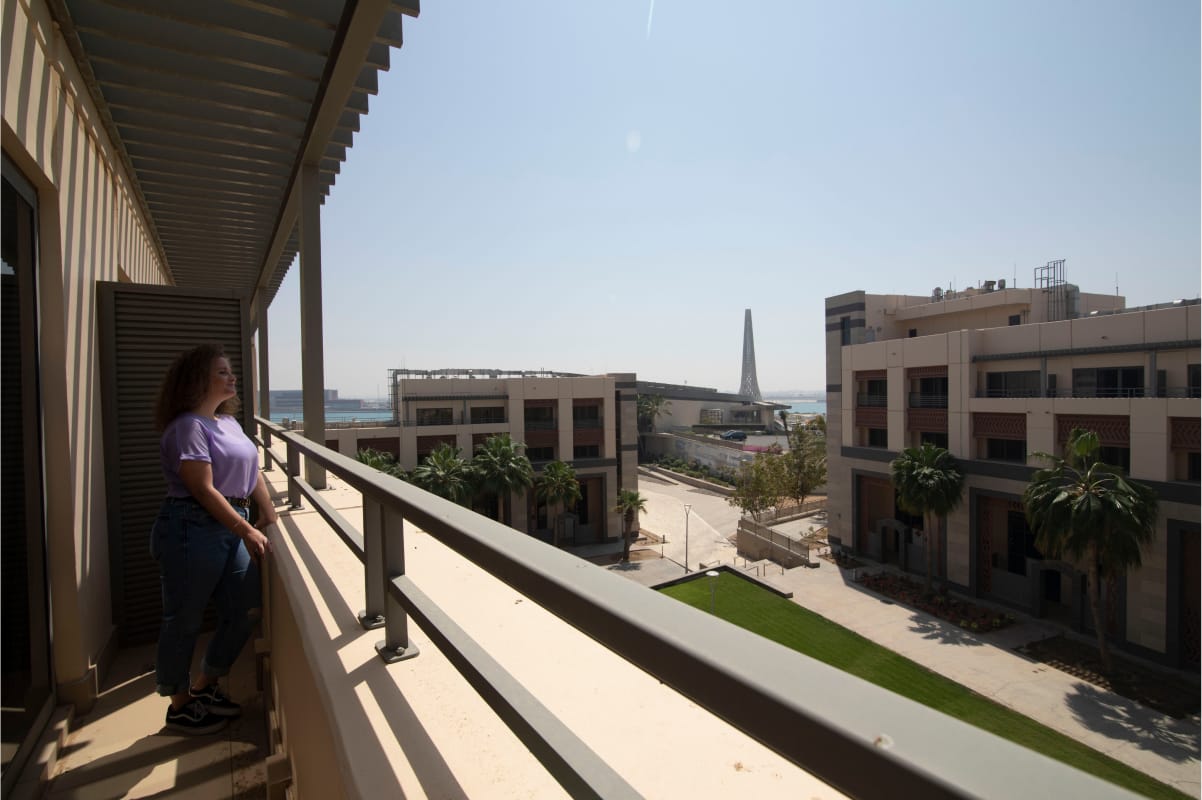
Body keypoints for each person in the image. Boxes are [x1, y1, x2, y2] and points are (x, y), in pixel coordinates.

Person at [151, 343, 277, 735]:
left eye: (230, 370)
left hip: (232, 522)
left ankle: (205, 685)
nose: (232, 377)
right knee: (184, 618)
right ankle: (179, 703)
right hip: (192, 525)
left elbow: (252, 471)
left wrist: (268, 513)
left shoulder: (228, 423)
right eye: (222, 372)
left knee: (246, 609)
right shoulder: (188, 427)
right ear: (197, 380)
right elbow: (202, 490)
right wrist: (246, 529)